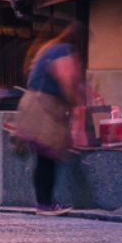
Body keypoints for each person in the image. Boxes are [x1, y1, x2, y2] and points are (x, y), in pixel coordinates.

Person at [18, 22, 87, 215]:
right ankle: (45, 204)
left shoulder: (50, 49)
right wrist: (77, 104)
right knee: (47, 157)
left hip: (34, 104)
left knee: (44, 157)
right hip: (44, 107)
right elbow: (66, 79)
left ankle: (45, 202)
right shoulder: (63, 50)